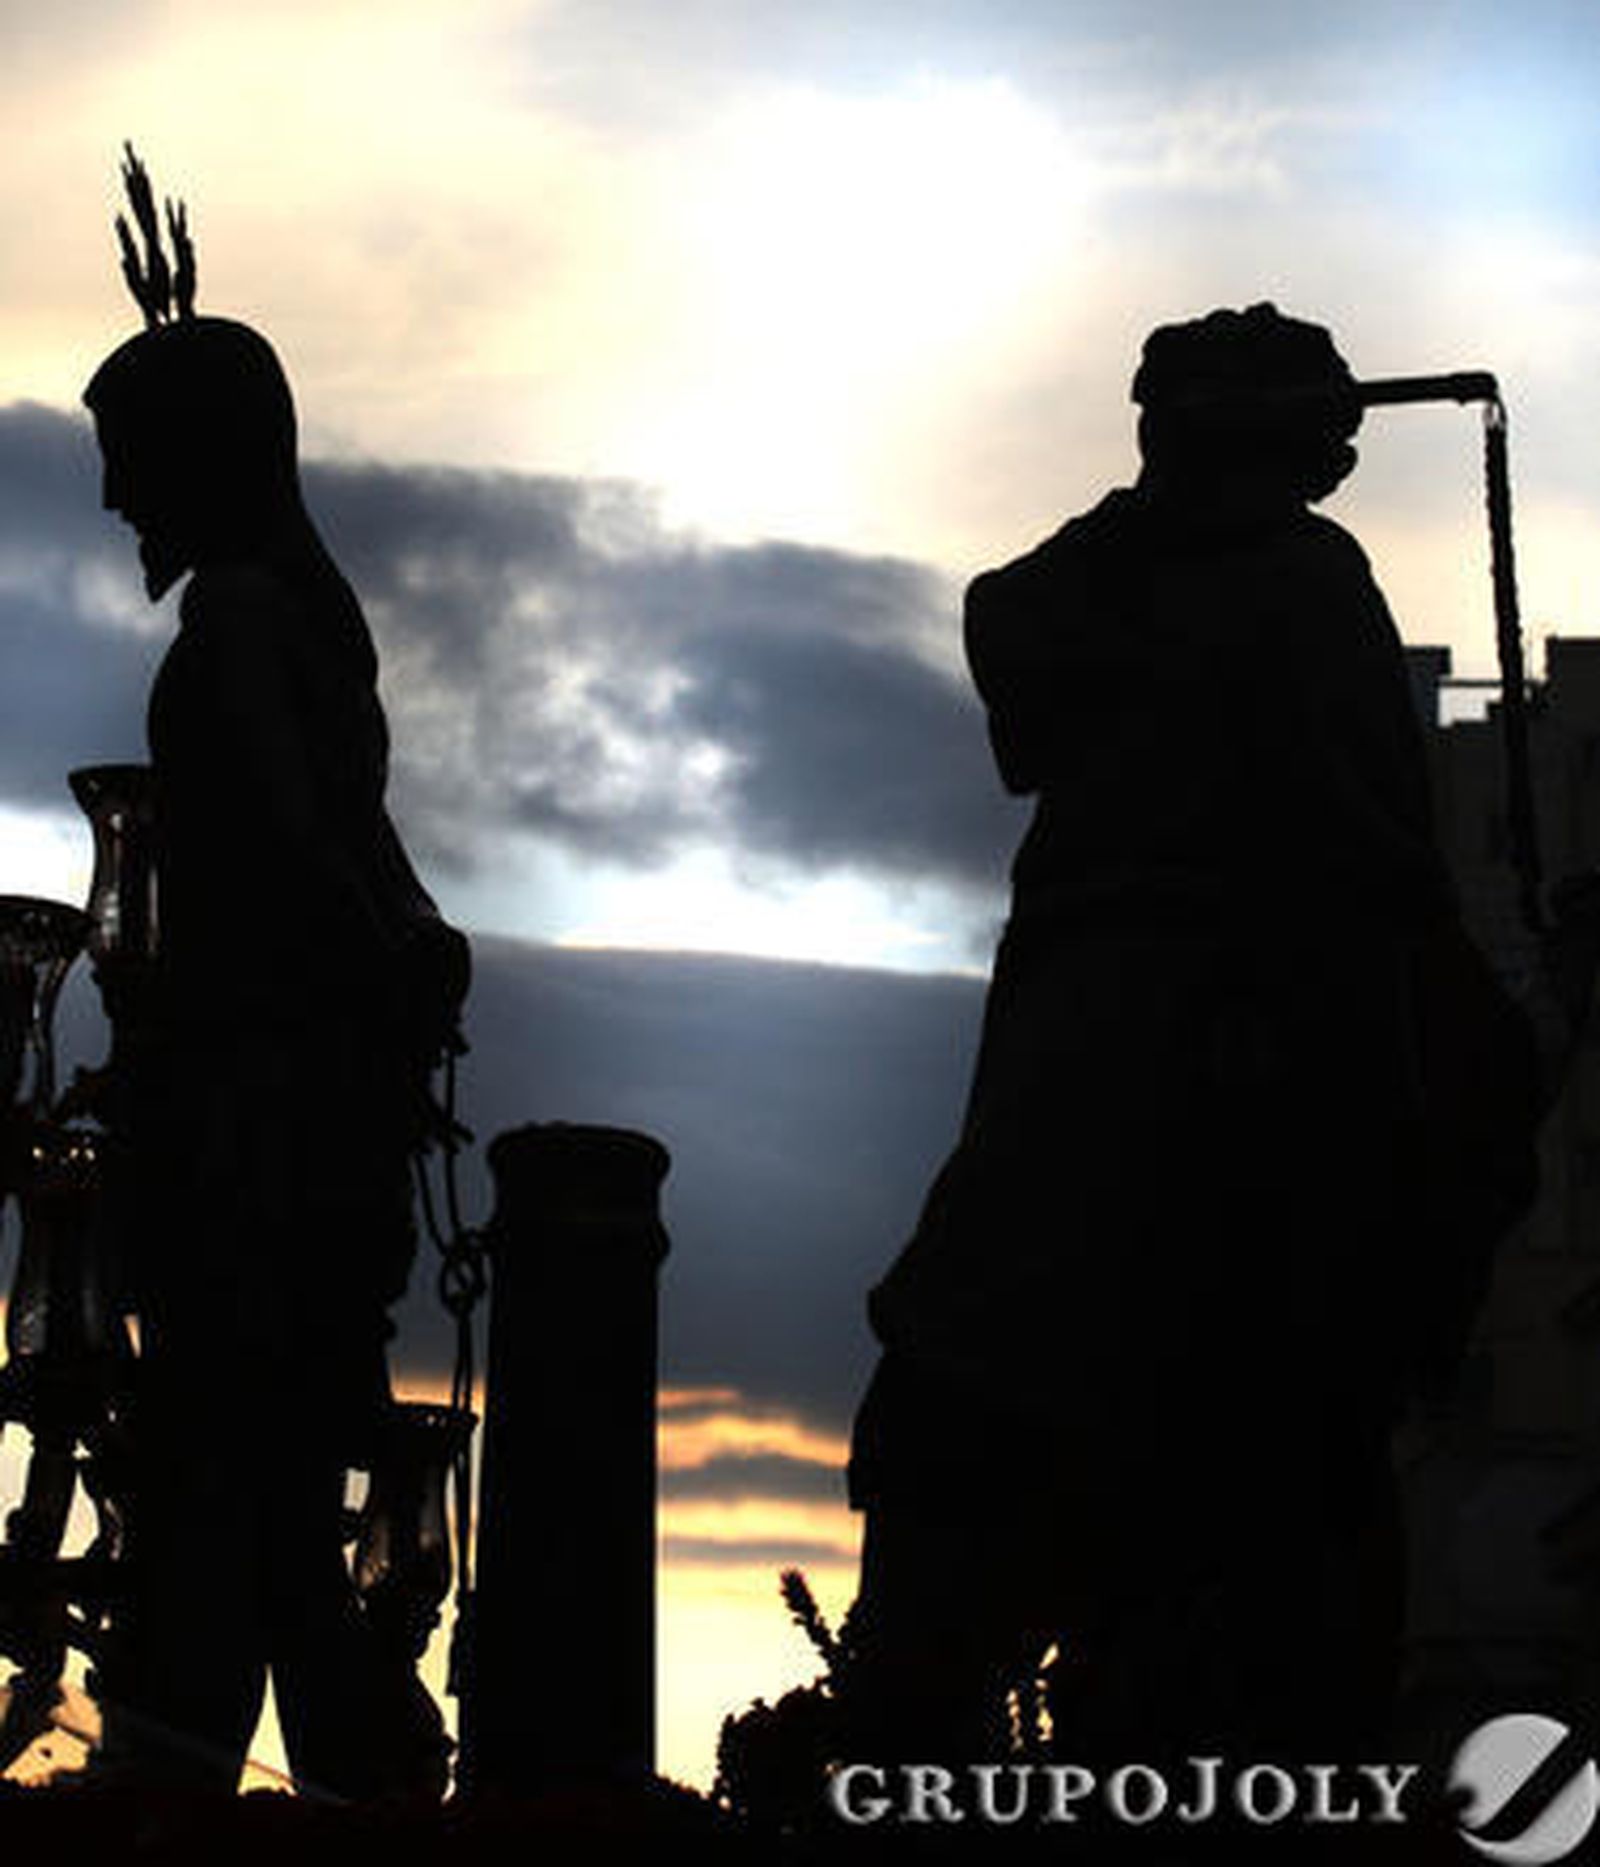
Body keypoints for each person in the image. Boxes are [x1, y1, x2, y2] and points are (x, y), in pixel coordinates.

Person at [843, 305, 1542, 1785]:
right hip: (1209, 1126)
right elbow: (1385, 870)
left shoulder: (1140, 578)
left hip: (1125, 1126)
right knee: (1273, 1525)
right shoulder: (1272, 585)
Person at [82, 153, 467, 1797]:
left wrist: (230, 1001)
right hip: (309, 1121)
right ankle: (336, 1768)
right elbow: (361, 861)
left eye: (125, 464)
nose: (111, 503)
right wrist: (405, 950)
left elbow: (308, 851)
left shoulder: (234, 629)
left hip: (247, 1128)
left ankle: (186, 1780)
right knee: (276, 1484)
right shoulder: (304, 615)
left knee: (219, 1475)